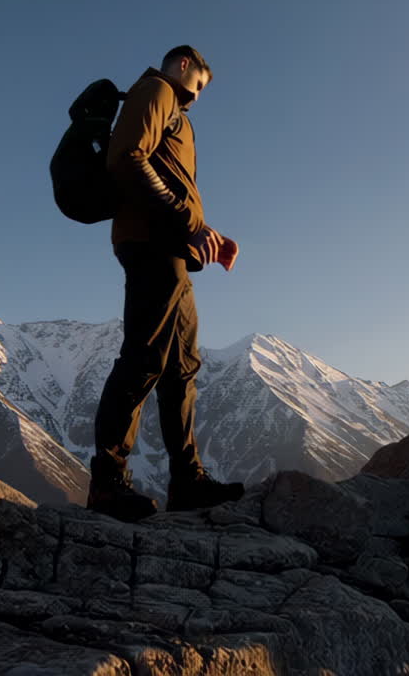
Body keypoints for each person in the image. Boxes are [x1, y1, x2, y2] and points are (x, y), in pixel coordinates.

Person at [88, 45, 244, 522]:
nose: (196, 99)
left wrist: (204, 233)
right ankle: (108, 483)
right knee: (144, 357)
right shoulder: (156, 90)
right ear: (183, 66)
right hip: (151, 246)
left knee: (182, 365)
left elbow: (168, 177)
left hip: (171, 248)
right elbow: (127, 158)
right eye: (197, 86)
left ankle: (187, 480)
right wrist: (185, 221)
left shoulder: (170, 105)